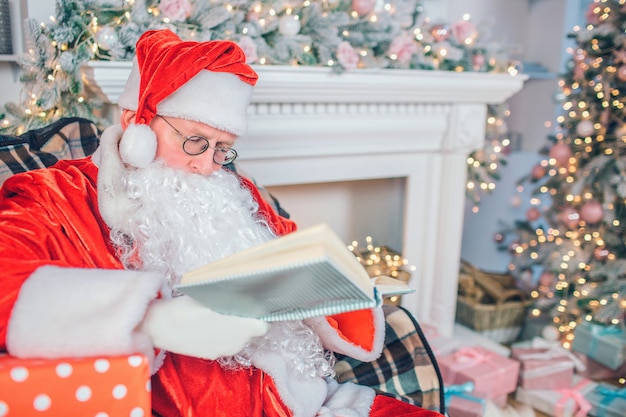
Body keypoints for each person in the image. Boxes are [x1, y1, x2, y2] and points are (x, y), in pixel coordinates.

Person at [0, 29, 441, 417]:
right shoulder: (54, 196)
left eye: (222, 149)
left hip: (314, 401)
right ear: (137, 121)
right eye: (194, 141)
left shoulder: (236, 193)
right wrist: (151, 321)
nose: (208, 166)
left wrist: (343, 290)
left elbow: (300, 263)